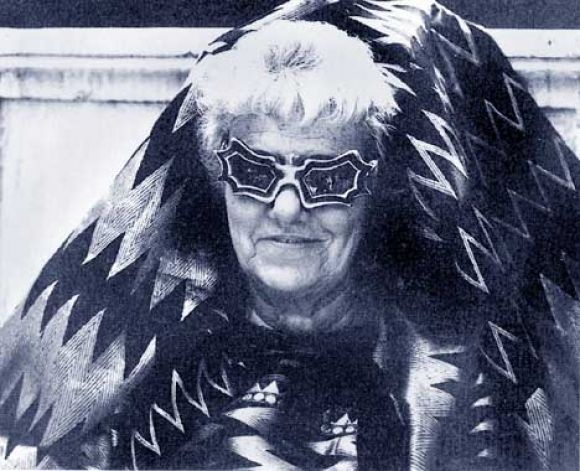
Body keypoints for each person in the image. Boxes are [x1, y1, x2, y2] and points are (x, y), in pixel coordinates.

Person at [0, 1, 578, 470]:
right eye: (254, 171)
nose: (286, 207)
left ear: (373, 191)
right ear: (218, 179)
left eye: (327, 177)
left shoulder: (449, 396)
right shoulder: (134, 386)